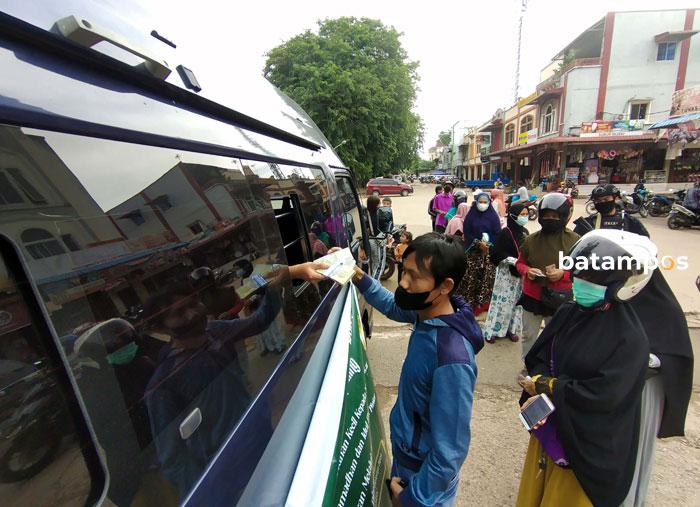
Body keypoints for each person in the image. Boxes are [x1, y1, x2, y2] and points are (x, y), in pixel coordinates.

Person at [571, 184, 694, 507]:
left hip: (635, 402)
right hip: (591, 408)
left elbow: (673, 356)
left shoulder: (659, 310)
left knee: (626, 465)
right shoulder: (595, 302)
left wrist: (643, 360)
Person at [516, 229, 657, 507]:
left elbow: (605, 396)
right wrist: (538, 383)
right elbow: (542, 353)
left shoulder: (628, 339)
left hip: (586, 446)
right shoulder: (571, 310)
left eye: (591, 279)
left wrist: (546, 386)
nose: (580, 283)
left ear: (622, 283)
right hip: (551, 431)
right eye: (578, 274)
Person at [348, 233, 483, 506]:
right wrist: (358, 276)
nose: (403, 283)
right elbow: (393, 305)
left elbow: (450, 452)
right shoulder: (428, 311)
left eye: (415, 276)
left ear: (445, 285)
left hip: (423, 476)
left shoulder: (452, 359)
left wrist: (412, 498)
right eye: (403, 271)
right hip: (408, 457)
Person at [515, 193, 579, 358]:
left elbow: (581, 269)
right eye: (547, 215)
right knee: (528, 335)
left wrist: (563, 274)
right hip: (532, 297)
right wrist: (527, 271)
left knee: (556, 336)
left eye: (555, 216)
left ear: (564, 216)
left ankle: (551, 368)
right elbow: (519, 263)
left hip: (559, 298)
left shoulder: (575, 241)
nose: (550, 219)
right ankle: (527, 366)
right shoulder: (531, 240)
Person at [482, 201, 529, 344]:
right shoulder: (505, 232)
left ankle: (511, 330)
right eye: (522, 214)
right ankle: (492, 331)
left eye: (527, 214)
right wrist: (513, 260)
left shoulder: (525, 233)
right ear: (514, 216)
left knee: (516, 303)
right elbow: (496, 253)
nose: (525, 217)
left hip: (520, 274)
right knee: (501, 303)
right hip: (506, 274)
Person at [455, 193, 502, 315]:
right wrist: (477, 243)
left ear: (489, 203)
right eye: (480, 202)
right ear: (476, 202)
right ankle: (468, 303)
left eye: (485, 202)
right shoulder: (471, 216)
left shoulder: (493, 216)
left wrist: (488, 243)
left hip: (488, 253)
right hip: (473, 253)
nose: (483, 204)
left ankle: (482, 304)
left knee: (486, 278)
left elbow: (497, 233)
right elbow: (467, 232)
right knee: (471, 277)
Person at [573, 184, 648, 237]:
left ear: (615, 198)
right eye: (598, 201)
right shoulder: (588, 223)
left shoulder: (630, 222)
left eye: (606, 199)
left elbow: (644, 243)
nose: (602, 202)